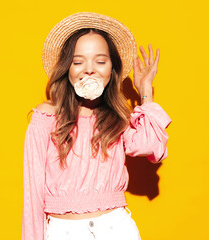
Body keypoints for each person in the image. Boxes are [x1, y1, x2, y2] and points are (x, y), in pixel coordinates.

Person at [21, 12, 171, 240]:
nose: (89, 69)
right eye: (78, 61)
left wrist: (145, 91)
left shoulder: (117, 119)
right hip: (64, 232)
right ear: (67, 70)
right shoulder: (46, 118)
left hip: (117, 229)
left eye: (100, 61)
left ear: (112, 70)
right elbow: (32, 196)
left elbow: (152, 147)